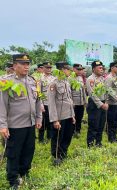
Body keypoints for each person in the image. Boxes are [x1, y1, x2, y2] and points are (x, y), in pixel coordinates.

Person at [0, 54, 42, 189]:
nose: (26, 66)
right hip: (15, 125)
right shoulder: (6, 82)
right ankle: (13, 179)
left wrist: (38, 118)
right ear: (14, 66)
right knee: (14, 153)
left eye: (28, 63)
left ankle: (23, 172)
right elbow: (2, 105)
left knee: (29, 150)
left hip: (30, 123)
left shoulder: (33, 81)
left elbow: (38, 101)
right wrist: (3, 126)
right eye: (23, 64)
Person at [47, 61, 75, 165]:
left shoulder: (66, 82)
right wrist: (55, 120)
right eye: (68, 69)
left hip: (68, 115)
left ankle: (63, 153)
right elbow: (51, 103)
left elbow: (69, 99)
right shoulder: (53, 83)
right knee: (58, 137)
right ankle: (56, 156)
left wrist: (72, 115)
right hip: (59, 116)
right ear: (62, 70)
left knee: (67, 135)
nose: (70, 71)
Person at [86, 61, 108, 147]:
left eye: (102, 68)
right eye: (99, 68)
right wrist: (101, 104)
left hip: (103, 103)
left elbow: (107, 91)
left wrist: (106, 102)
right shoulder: (90, 79)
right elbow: (92, 94)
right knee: (93, 125)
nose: (101, 69)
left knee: (101, 124)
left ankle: (98, 142)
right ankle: (90, 144)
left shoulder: (102, 79)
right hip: (94, 105)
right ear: (94, 69)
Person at [39, 62, 55, 143]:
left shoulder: (53, 78)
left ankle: (49, 137)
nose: (49, 69)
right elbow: (39, 92)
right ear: (43, 68)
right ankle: (41, 139)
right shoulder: (40, 78)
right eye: (47, 68)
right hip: (44, 103)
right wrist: (40, 104)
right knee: (43, 122)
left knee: (50, 121)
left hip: (51, 103)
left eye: (50, 68)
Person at [71, 64, 87, 138]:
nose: (80, 71)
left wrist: (85, 100)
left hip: (81, 102)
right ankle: (72, 131)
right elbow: (69, 92)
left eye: (81, 69)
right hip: (74, 102)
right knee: (73, 117)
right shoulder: (70, 78)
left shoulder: (80, 78)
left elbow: (83, 90)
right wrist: (71, 102)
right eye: (78, 69)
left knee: (79, 117)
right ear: (73, 69)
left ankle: (78, 130)